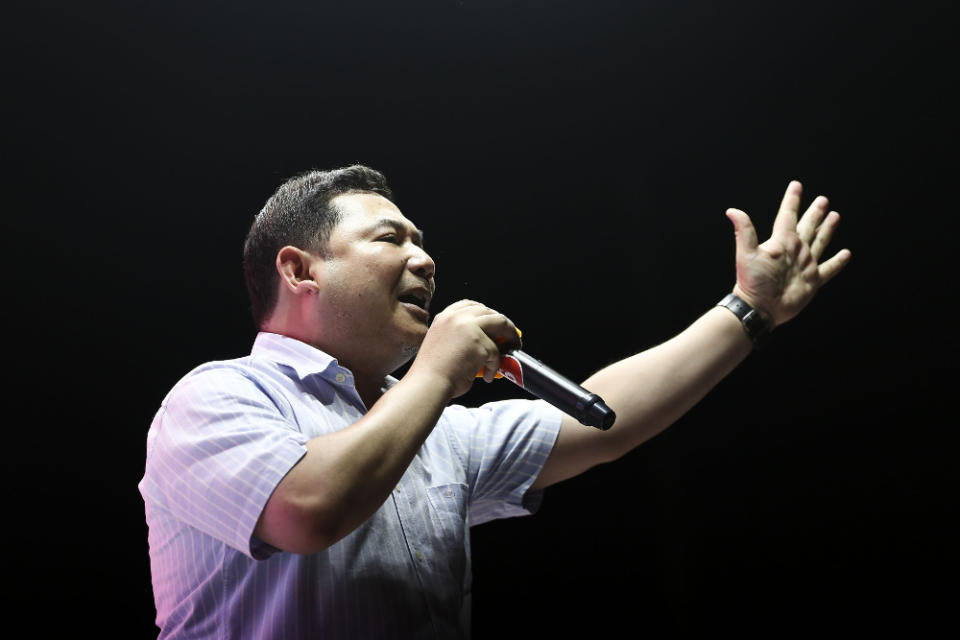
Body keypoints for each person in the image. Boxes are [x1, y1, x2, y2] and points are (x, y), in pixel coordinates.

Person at [139, 165, 851, 638]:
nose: (424, 259)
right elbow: (307, 509)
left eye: (422, 242)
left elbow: (603, 418)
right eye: (390, 239)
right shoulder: (213, 398)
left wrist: (748, 311)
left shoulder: (431, 432)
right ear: (300, 270)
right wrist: (436, 375)